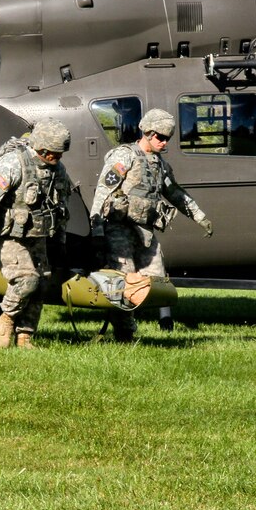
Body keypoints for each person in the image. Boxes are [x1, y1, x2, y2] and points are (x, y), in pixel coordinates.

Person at [89, 108, 213, 341]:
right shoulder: (124, 156)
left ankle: (132, 324)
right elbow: (103, 191)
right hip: (119, 229)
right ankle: (125, 333)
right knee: (122, 282)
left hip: (145, 231)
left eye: (167, 138)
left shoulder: (160, 165)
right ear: (147, 133)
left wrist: (200, 216)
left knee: (156, 281)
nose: (164, 142)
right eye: (160, 137)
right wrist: (97, 230)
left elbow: (175, 193)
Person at [0, 118, 73, 349]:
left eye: (59, 153)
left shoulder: (58, 170)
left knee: (41, 283)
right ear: (40, 147)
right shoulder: (14, 164)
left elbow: (61, 207)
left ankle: (25, 335)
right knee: (27, 279)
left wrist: (60, 240)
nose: (56, 157)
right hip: (6, 235)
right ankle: (6, 319)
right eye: (51, 152)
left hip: (36, 235)